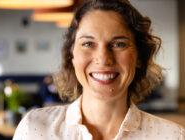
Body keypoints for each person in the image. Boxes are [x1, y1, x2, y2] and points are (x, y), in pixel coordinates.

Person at [13, 0, 185, 140]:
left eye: (119, 44)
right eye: (88, 44)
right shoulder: (34, 128)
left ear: (139, 57)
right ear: (72, 57)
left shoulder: (172, 136)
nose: (103, 59)